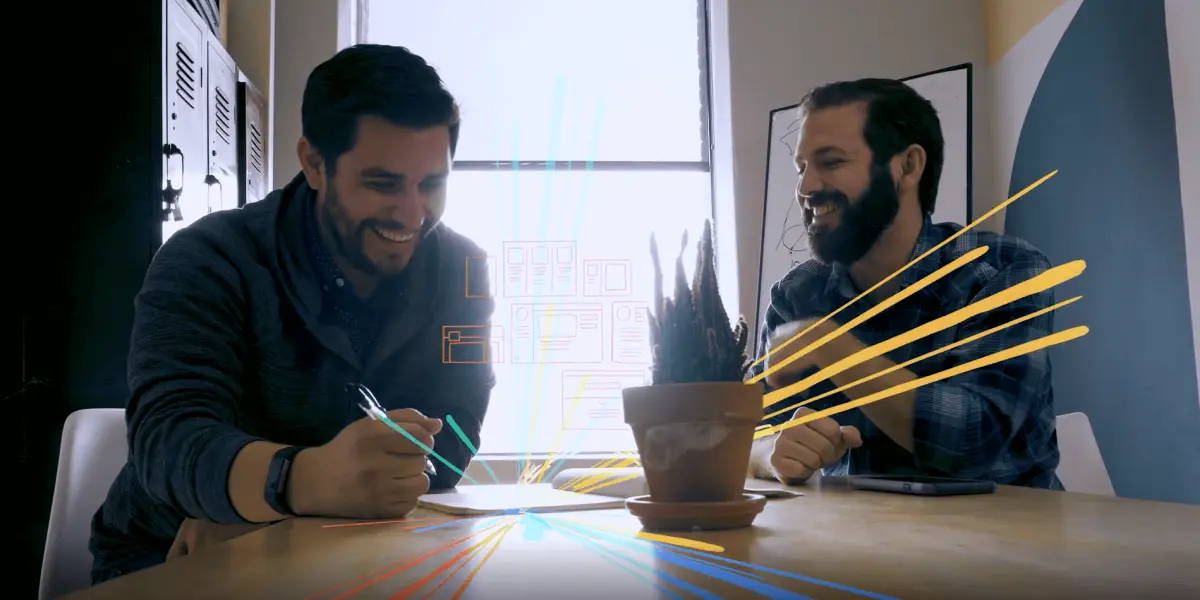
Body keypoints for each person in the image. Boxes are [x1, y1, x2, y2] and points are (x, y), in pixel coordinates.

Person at [88, 44, 496, 584]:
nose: (413, 213)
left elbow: (456, 439)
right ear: (314, 164)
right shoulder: (209, 258)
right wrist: (299, 484)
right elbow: (168, 439)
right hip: (168, 554)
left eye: (432, 184)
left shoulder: (464, 269)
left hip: (349, 548)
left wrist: (281, 521)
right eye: (383, 183)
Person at [746, 78, 1061, 489]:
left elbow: (973, 441)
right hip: (859, 540)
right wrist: (772, 454)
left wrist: (831, 346)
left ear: (908, 166)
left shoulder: (1003, 270)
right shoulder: (798, 294)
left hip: (1013, 540)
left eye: (831, 162)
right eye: (802, 168)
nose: (805, 188)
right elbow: (747, 435)